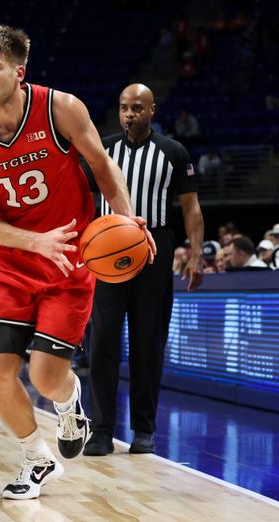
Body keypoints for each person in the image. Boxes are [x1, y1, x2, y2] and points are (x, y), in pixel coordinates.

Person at [0, 26, 154, 500]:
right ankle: (37, 459)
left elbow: (102, 165)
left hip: (70, 262)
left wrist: (124, 216)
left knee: (44, 377)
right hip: (8, 264)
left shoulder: (61, 108)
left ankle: (68, 400)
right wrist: (32, 241)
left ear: (19, 72)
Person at [82, 83, 204, 457]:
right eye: (123, 107)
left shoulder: (173, 151)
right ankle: (101, 430)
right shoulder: (102, 150)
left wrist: (196, 254)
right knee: (100, 342)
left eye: (136, 107)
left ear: (152, 111)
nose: (129, 114)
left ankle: (144, 429)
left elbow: (191, 209)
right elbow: (85, 203)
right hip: (106, 251)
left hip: (154, 248)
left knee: (147, 342)